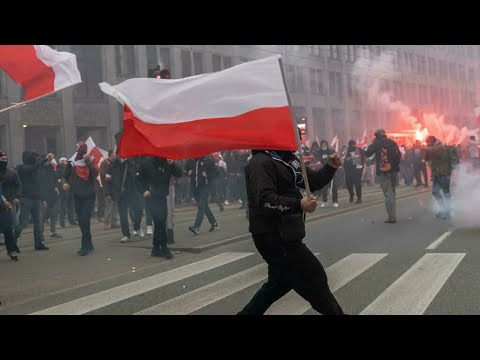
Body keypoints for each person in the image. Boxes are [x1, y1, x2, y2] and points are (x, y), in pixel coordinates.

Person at [237, 139, 344, 315]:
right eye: (294, 136)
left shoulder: (288, 159)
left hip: (287, 234)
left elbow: (312, 181)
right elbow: (265, 200)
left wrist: (330, 167)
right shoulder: (260, 162)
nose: (297, 141)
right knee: (314, 278)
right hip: (274, 237)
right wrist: (298, 204)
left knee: (278, 284)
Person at [137, 156, 182, 258]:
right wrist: (143, 191)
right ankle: (164, 247)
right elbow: (138, 180)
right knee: (160, 221)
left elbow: (179, 174)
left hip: (162, 196)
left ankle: (156, 248)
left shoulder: (167, 162)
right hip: (151, 197)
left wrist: (172, 164)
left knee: (160, 222)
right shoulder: (146, 163)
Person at [63, 141, 98, 255]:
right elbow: (65, 175)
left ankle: (85, 246)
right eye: (78, 148)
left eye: (81, 148)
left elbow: (95, 173)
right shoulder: (72, 162)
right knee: (82, 221)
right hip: (77, 195)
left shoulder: (91, 160)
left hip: (89, 196)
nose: (79, 150)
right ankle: (89, 244)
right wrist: (65, 183)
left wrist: (87, 161)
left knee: (85, 220)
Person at [365, 129, 401, 223]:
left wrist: (373, 143)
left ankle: (391, 217)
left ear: (376, 136)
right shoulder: (392, 142)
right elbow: (399, 155)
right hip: (394, 172)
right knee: (392, 193)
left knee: (388, 194)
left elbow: (367, 153)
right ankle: (393, 215)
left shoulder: (376, 144)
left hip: (383, 172)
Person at [425, 136, 456, 219]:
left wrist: (424, 148)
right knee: (435, 192)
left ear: (433, 142)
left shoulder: (440, 147)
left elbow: (433, 150)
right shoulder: (431, 148)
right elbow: (427, 159)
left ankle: (448, 211)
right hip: (436, 174)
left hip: (444, 173)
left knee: (446, 193)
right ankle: (443, 209)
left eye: (429, 143)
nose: (427, 144)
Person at [315, 140, 338, 207]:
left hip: (331, 171)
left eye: (325, 144)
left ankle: (335, 201)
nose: (324, 146)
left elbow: (336, 158)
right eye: (323, 145)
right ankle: (324, 201)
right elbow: (317, 159)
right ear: (321, 145)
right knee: (324, 187)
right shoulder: (319, 152)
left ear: (327, 145)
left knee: (333, 186)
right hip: (323, 172)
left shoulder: (331, 151)